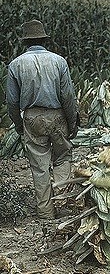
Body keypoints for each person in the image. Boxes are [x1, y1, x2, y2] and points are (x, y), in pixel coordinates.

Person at [6, 19, 79, 219]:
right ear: (44, 40)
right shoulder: (59, 61)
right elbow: (68, 96)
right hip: (57, 116)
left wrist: (19, 125)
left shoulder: (16, 65)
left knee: (39, 167)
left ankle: (46, 212)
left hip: (32, 117)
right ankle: (63, 204)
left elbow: (11, 102)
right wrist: (72, 122)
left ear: (25, 42)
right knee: (63, 157)